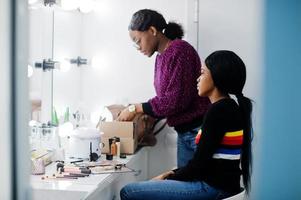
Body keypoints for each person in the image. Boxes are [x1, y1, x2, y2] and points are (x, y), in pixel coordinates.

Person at [120, 50, 253, 200]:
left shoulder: (219, 110)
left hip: (212, 188)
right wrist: (172, 174)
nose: (198, 79)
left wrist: (168, 177)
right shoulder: (227, 107)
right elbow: (202, 162)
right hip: (218, 185)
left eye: (202, 73)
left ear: (216, 77)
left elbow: (198, 165)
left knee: (129, 192)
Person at [116, 9, 210, 167]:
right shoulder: (161, 57)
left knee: (195, 185)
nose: (138, 47)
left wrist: (135, 108)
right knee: (185, 182)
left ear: (152, 30)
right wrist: (147, 113)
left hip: (198, 131)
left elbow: (175, 100)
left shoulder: (180, 50)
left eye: (138, 40)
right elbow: (166, 100)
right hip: (185, 132)